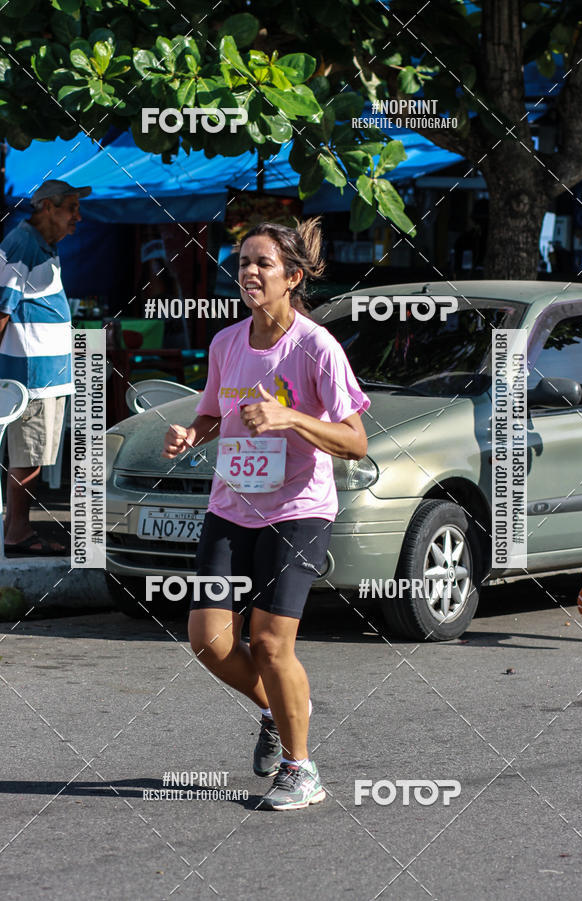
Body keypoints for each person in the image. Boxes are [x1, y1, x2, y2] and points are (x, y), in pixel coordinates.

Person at [162, 218, 370, 810]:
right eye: (243, 261)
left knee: (272, 644)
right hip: (231, 506)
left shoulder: (315, 347)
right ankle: (276, 712)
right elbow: (212, 416)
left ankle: (301, 770)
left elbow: (355, 441)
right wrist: (190, 436)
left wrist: (290, 418)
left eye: (263, 263)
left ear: (293, 277)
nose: (248, 272)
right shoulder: (226, 343)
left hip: (297, 511)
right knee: (209, 640)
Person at [0, 179, 90, 556]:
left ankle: (18, 531)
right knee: (30, 458)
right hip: (32, 377)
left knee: (34, 457)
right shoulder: (21, 244)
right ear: (47, 207)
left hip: (47, 376)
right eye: (71, 207)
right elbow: (1, 311)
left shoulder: (42, 245)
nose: (78, 217)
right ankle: (17, 535)